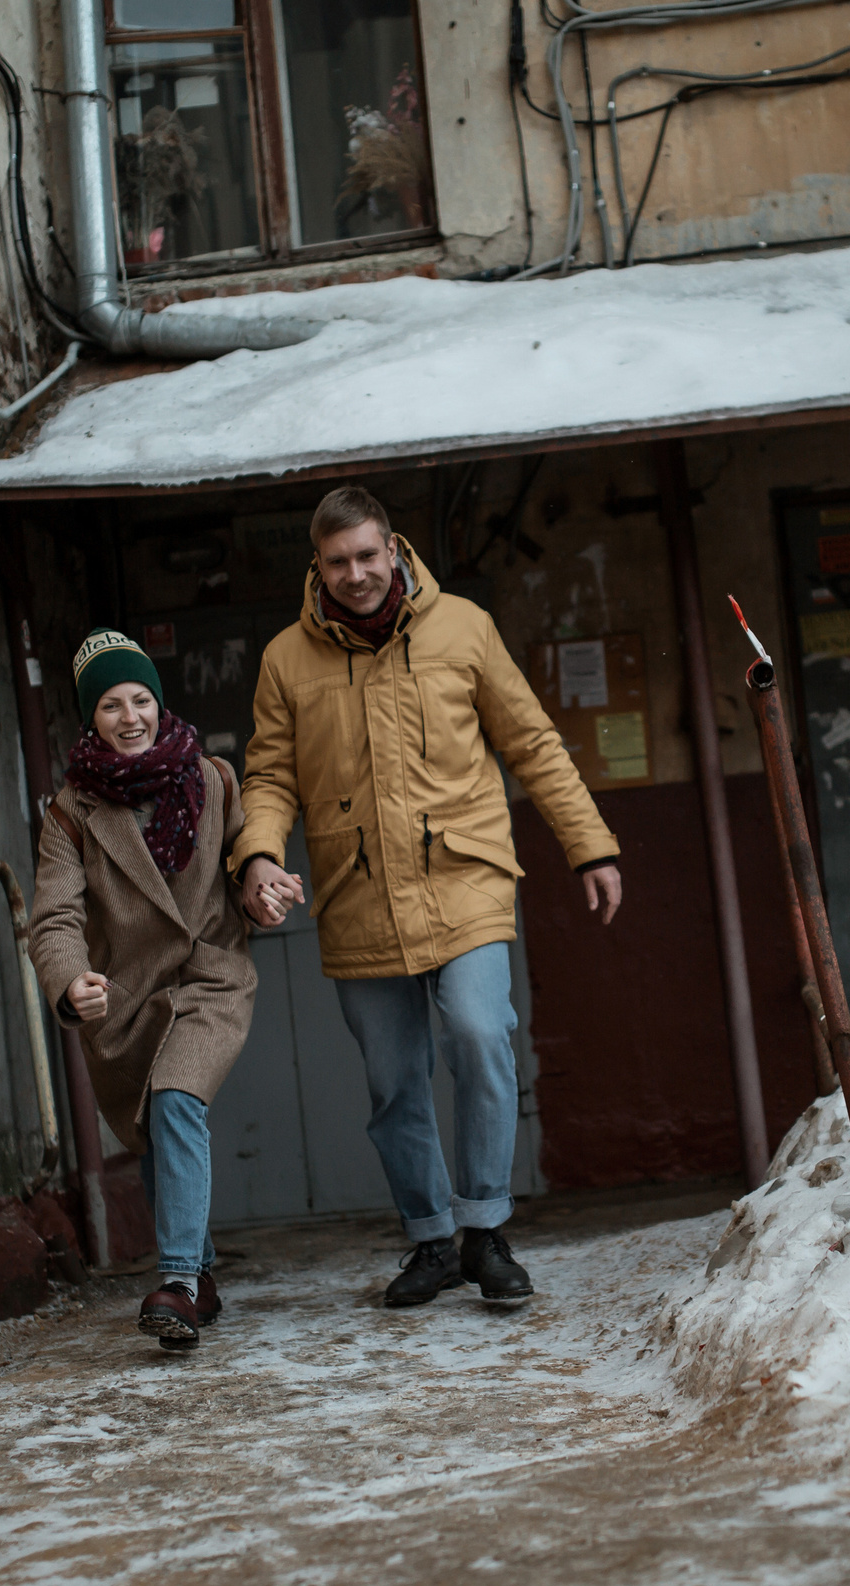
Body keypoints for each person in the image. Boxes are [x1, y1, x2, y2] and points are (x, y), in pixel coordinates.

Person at [232, 486, 623, 1308]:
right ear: (318, 566)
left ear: (393, 548)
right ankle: (431, 1239)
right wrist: (258, 855)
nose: (356, 574)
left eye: (367, 555)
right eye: (337, 562)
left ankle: (485, 1230)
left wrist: (589, 845)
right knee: (394, 1082)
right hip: (357, 893)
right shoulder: (285, 660)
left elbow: (531, 741)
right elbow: (268, 775)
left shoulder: (464, 628)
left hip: (464, 878)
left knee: (481, 1032)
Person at [28, 630, 256, 1348]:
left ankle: (180, 1280)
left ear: (158, 703)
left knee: (177, 1101)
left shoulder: (213, 779)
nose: (130, 717)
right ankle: (202, 1275)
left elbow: (247, 851)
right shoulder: (72, 812)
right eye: (110, 705)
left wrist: (263, 879)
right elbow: (54, 916)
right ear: (90, 718)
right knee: (157, 1127)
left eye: (140, 699)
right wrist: (70, 980)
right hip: (127, 996)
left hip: (210, 974)